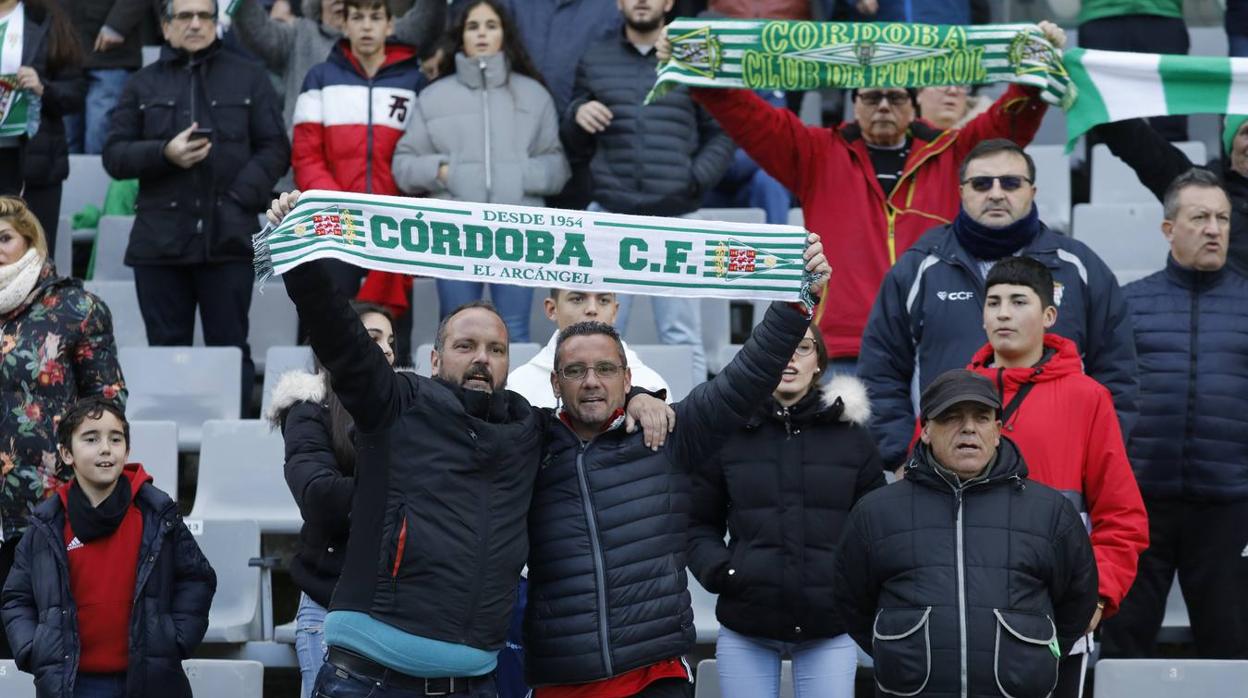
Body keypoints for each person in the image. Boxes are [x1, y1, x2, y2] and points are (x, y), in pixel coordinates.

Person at [265, 190, 673, 698]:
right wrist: (303, 261)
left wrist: (635, 395)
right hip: (371, 679)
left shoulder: (529, 427)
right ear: (434, 361)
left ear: (510, 362)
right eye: (466, 346)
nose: (481, 358)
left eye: (495, 349)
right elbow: (339, 336)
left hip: (473, 683)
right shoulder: (396, 402)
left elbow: (591, 403)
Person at [658, 22, 1064, 369]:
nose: (883, 105)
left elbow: (1015, 118)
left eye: (895, 96)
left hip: (938, 339)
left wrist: (1037, 60)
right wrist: (695, 65)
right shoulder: (814, 152)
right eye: (871, 97)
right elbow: (744, 114)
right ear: (854, 104)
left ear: (914, 102)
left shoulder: (954, 151)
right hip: (845, 343)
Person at [524, 237, 829, 697]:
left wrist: (797, 301)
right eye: (575, 371)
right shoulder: (525, 444)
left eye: (606, 369)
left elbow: (743, 380)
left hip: (656, 677)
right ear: (554, 382)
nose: (591, 381)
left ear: (628, 378)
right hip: (562, 677)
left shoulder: (668, 434)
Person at [859, 139, 1138, 471]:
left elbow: (1117, 374)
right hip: (945, 472)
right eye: (981, 183)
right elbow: (881, 371)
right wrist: (902, 454)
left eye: (1010, 182)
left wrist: (1096, 457)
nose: (995, 193)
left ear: (1032, 191)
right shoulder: (918, 268)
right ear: (961, 192)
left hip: (1054, 469)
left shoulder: (1079, 267)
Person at [832, 369, 1100, 698]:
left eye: (982, 417)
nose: (969, 428)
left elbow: (1076, 602)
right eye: (952, 417)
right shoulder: (875, 513)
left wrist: (1031, 657)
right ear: (926, 430)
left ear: (998, 431)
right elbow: (852, 601)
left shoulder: (1050, 512)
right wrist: (899, 652)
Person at [967, 256, 1149, 697]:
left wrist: (1100, 594)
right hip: (964, 611)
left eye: (1018, 301)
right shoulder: (954, 392)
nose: (1003, 313)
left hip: (1054, 613)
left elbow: (1121, 514)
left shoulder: (1089, 398)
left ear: (1049, 315)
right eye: (993, 302)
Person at [102, 0, 289, 402]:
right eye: (184, 16)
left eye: (204, 15)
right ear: (165, 27)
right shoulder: (141, 83)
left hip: (230, 240)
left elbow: (275, 148)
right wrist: (163, 154)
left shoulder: (250, 77)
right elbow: (114, 155)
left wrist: (239, 198)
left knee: (230, 349)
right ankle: (173, 458)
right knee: (166, 356)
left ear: (215, 24)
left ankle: (230, 449)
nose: (195, 24)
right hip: (160, 243)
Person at [687, 326, 884, 698]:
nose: (790, 356)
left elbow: (875, 527)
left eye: (803, 347)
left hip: (828, 625)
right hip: (746, 621)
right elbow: (696, 522)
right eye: (779, 346)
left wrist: (848, 586)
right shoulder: (726, 433)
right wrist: (724, 572)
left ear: (819, 364)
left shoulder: (853, 438)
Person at [1101, 169, 1248, 660]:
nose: (1214, 229)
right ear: (1168, 229)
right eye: (1201, 217)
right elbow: (1106, 402)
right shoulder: (1130, 304)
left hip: (1230, 509)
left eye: (1223, 218)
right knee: (1125, 644)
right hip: (1141, 507)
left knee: (1230, 649)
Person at [0, 397, 217, 698]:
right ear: (66, 453)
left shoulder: (158, 515)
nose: (105, 448)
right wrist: (33, 649)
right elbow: (16, 598)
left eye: (116, 439)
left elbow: (197, 578)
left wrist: (175, 639)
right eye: (91, 439)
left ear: (127, 450)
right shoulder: (45, 525)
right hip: (72, 685)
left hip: (151, 682)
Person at [567, 0, 734, 378]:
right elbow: (572, 141)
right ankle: (602, 429)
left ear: (669, 2)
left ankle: (691, 429)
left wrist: (692, 180)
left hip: (677, 216)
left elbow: (723, 132)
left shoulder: (693, 56)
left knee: (682, 336)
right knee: (599, 334)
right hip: (610, 214)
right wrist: (577, 115)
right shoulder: (596, 57)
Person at [391, 0, 569, 343]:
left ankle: (514, 400)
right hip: (454, 233)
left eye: (491, 25)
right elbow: (404, 166)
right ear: (461, 36)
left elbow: (557, 168)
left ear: (505, 33)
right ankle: (454, 400)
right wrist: (445, 172)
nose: (482, 33)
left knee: (514, 331)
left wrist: (516, 176)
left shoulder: (534, 95)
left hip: (519, 234)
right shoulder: (434, 97)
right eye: (473, 27)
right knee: (459, 331)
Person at [0, 196, 126, 658]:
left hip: (49, 503)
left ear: (33, 242)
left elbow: (107, 401)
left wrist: (84, 476)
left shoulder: (77, 308)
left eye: (4, 238)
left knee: (43, 643)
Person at [266, 302, 396, 698]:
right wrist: (399, 491)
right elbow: (319, 496)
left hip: (402, 610)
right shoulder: (308, 409)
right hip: (329, 605)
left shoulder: (412, 408)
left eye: (392, 341)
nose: (388, 350)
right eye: (374, 338)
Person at [292, 0, 427, 299]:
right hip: (336, 225)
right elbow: (305, 157)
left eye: (375, 17)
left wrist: (393, 212)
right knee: (330, 328)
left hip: (395, 226)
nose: (366, 25)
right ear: (345, 23)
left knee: (392, 331)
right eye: (357, 17)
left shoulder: (415, 81)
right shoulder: (320, 77)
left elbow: (421, 154)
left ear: (390, 24)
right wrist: (343, 210)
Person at [231, 0, 443, 135]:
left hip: (374, 183)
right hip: (300, 181)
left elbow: (426, 23)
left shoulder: (385, 33)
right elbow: (255, 29)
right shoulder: (299, 35)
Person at [1092, 115, 1248, 277]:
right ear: (1231, 142)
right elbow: (1139, 144)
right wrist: (1094, 102)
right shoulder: (1198, 189)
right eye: (1246, 132)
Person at [0, 0, 84, 255]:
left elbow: (75, 94)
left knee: (35, 256)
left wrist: (42, 87)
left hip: (35, 158)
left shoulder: (48, 19)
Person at [507, 288, 670, 408]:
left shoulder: (652, 385)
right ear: (552, 309)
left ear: (615, 311)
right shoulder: (519, 385)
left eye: (603, 300)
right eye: (577, 299)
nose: (592, 309)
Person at [1077, 0, 1187, 141]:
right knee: (1102, 121)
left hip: (1162, 13)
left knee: (1170, 119)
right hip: (1101, 14)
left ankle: (1179, 162)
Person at [65, 0, 146, 155]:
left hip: (111, 56)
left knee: (100, 136)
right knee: (65, 142)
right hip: (65, 53)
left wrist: (118, 24)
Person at [915, 85, 989, 131]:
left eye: (961, 84)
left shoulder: (986, 133)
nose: (953, 91)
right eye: (942, 81)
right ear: (919, 93)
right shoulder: (905, 138)